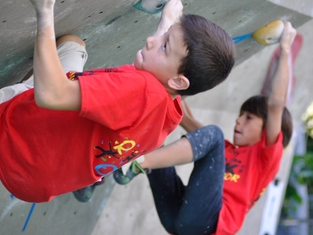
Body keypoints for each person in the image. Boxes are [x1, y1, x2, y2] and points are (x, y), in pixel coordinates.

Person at [0, 0, 235, 203]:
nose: (152, 40)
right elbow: (160, 74)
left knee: (45, 78)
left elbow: (51, 95)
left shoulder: (138, 90)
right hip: (40, 172)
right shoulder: (169, 113)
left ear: (178, 81)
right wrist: (169, 22)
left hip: (9, 141)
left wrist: (44, 11)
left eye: (164, 45)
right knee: (73, 46)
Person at [113, 21, 296, 235]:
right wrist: (172, 78)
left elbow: (275, 105)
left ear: (267, 130)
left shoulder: (266, 158)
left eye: (248, 118)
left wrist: (285, 48)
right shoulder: (223, 150)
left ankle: (137, 162)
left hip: (208, 225)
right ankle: (99, 171)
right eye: (240, 116)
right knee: (160, 123)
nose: (239, 121)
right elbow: (188, 122)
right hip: (178, 218)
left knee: (214, 135)